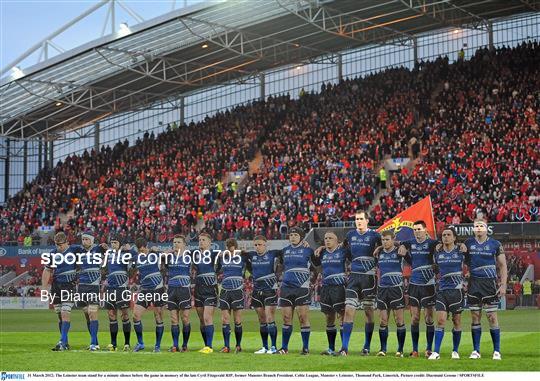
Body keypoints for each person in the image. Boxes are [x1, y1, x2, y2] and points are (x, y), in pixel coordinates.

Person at [339, 210, 381, 356]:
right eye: (356, 219)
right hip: (353, 277)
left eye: (361, 219)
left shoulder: (375, 235)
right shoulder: (350, 235)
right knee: (349, 310)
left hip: (369, 278)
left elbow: (385, 249)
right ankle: (344, 348)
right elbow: (343, 249)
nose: (358, 221)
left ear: (367, 220)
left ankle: (367, 346)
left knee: (369, 313)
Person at [465, 219, 507, 360]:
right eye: (476, 226)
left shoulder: (495, 244)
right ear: (473, 229)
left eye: (481, 226)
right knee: (475, 317)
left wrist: (503, 284)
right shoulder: (468, 243)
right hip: (473, 284)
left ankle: (497, 351)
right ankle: (476, 351)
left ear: (486, 228)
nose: (478, 228)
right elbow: (459, 260)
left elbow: (502, 265)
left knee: (492, 317)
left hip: (489, 284)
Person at [398, 221, 438, 358]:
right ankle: (415, 350)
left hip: (428, 285)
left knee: (429, 318)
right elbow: (403, 248)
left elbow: (439, 255)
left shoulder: (433, 243)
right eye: (415, 229)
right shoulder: (410, 242)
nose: (417, 231)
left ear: (425, 230)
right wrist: (403, 247)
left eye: (419, 229)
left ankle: (428, 349)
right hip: (414, 285)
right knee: (415, 318)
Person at [276, 227, 316, 355]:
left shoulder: (308, 250)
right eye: (291, 235)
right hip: (286, 288)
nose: (292, 237)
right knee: (286, 318)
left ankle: (305, 348)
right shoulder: (284, 251)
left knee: (303, 318)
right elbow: (281, 265)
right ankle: (284, 348)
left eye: (295, 235)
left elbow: (317, 264)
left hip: (301, 288)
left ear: (301, 237)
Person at [429, 227, 466, 360]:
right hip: (442, 291)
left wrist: (463, 245)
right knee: (440, 320)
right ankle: (436, 352)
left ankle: (455, 351)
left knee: (456, 321)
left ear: (454, 238)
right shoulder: (437, 253)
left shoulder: (461, 251)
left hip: (457, 291)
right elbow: (435, 269)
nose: (446, 237)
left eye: (449, 235)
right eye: (444, 235)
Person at [313, 231, 350, 356]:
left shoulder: (342, 252)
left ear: (336, 241)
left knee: (342, 316)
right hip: (326, 287)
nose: (327, 240)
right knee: (329, 318)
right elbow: (316, 264)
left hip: (339, 287)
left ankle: (344, 349)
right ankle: (331, 348)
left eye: (330, 238)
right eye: (325, 238)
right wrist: (321, 248)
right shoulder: (322, 252)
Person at [41, 232, 78, 351]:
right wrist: (44, 287)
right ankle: (65, 342)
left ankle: (61, 342)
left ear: (67, 242)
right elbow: (47, 271)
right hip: (56, 286)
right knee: (59, 315)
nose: (59, 247)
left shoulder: (74, 251)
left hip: (69, 285)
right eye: (57, 245)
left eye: (60, 245)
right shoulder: (53, 254)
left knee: (65, 312)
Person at [245, 235, 281, 354]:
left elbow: (286, 252)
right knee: (261, 319)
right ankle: (264, 347)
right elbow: (238, 254)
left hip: (269, 290)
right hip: (256, 290)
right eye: (255, 245)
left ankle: (274, 347)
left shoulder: (272, 254)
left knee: (270, 317)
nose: (257, 247)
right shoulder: (251, 255)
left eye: (260, 244)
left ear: (266, 244)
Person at [374, 230, 407, 357]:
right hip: (382, 289)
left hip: (396, 289)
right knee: (383, 321)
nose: (385, 242)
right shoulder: (379, 253)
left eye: (387, 239)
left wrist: (401, 245)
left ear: (393, 239)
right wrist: (380, 247)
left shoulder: (399, 252)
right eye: (383, 240)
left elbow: (407, 248)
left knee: (399, 320)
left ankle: (400, 350)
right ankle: (383, 349)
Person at [132, 238, 166, 352]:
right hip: (144, 290)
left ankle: (157, 346)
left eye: (143, 249)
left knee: (158, 316)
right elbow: (131, 268)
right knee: (136, 316)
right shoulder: (137, 258)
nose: (141, 252)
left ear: (146, 246)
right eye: (139, 250)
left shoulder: (154, 255)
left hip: (157, 289)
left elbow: (168, 253)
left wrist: (157, 251)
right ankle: (140, 343)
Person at [103, 235, 134, 351]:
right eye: (112, 242)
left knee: (124, 315)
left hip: (122, 288)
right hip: (110, 288)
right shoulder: (108, 255)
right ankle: (113, 343)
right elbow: (105, 269)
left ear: (120, 244)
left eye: (115, 242)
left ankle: (127, 343)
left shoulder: (126, 255)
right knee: (111, 315)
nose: (113, 245)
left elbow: (132, 270)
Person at [216, 238, 246, 353]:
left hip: (237, 291)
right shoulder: (223, 257)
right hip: (225, 290)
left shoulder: (241, 257)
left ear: (236, 247)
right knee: (225, 320)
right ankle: (226, 346)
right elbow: (217, 269)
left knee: (237, 320)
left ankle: (238, 345)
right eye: (228, 247)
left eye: (232, 246)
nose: (230, 249)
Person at [77, 230, 104, 351]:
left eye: (87, 239)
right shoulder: (79, 251)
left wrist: (105, 247)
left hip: (93, 286)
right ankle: (95, 342)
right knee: (87, 315)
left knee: (93, 313)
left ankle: (93, 343)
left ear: (92, 240)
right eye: (83, 239)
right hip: (82, 286)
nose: (84, 241)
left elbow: (108, 249)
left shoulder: (98, 249)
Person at [164, 234, 192, 352]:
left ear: (184, 245)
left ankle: (184, 345)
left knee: (185, 318)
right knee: (173, 319)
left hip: (184, 289)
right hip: (171, 289)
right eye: (174, 242)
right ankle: (175, 345)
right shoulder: (168, 257)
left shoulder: (189, 256)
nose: (176, 244)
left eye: (178, 242)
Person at [194, 232, 219, 354]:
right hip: (198, 289)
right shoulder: (195, 254)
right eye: (199, 240)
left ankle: (209, 346)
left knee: (207, 317)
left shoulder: (214, 254)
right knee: (201, 320)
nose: (201, 242)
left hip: (210, 289)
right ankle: (205, 345)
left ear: (210, 242)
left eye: (203, 240)